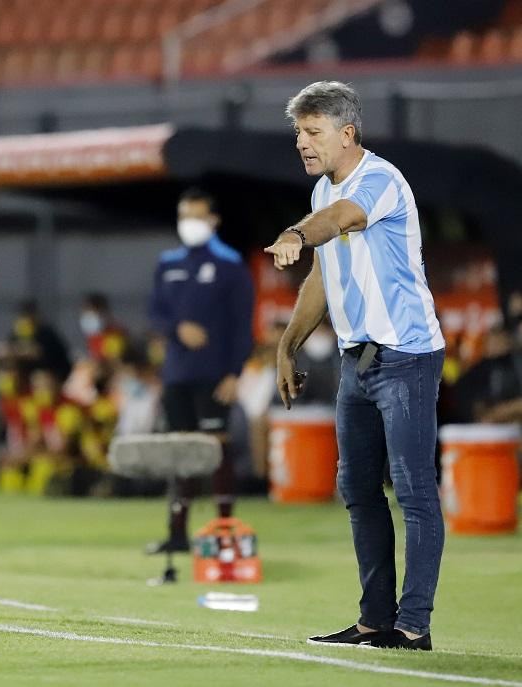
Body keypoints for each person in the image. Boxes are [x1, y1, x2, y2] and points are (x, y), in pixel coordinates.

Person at [266, 81, 444, 651]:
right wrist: (287, 344)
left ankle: (413, 626)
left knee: (414, 493)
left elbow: (338, 221)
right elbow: (323, 275)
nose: (302, 141)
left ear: (347, 134)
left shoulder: (379, 181)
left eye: (312, 131)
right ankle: (374, 620)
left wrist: (296, 232)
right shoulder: (324, 190)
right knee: (359, 491)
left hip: (407, 357)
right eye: (298, 131)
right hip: (358, 363)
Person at [147, 188, 254, 552]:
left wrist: (234, 373)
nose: (189, 224)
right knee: (180, 454)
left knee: (217, 452)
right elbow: (155, 314)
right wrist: (178, 329)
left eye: (196, 216)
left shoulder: (230, 265)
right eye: (184, 216)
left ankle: (225, 532)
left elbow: (243, 325)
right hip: (177, 374)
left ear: (213, 220)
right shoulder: (168, 263)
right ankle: (177, 534)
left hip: (214, 375)